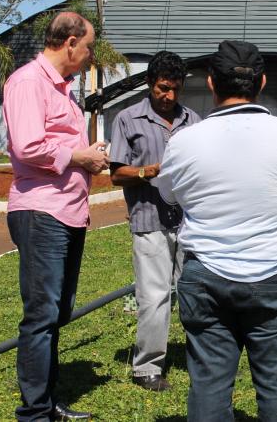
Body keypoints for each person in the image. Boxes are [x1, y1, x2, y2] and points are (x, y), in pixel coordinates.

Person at [155, 40, 277, 422]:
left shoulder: (184, 141)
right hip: (272, 276)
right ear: (262, 82)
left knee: (209, 385)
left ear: (212, 83)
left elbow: (168, 193)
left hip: (206, 276)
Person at [3, 11, 108, 421]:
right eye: (87, 46)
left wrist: (87, 160)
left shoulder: (60, 89)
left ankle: (46, 400)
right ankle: (34, 413)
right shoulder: (29, 82)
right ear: (69, 43)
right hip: (41, 209)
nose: (88, 54)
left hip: (65, 211)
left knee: (57, 312)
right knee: (42, 315)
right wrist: (78, 155)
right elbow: (28, 147)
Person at [109, 50, 200, 391]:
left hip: (189, 223)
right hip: (148, 220)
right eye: (163, 88)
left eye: (176, 89)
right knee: (154, 296)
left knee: (195, 292)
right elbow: (116, 174)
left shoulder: (193, 120)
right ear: (149, 83)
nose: (170, 96)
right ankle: (147, 367)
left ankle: (202, 358)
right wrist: (149, 171)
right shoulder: (127, 119)